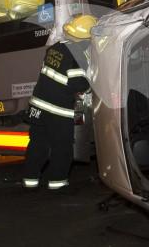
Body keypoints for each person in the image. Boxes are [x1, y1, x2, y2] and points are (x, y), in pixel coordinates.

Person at [22, 14, 97, 190]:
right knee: (62, 147)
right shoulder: (79, 55)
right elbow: (79, 83)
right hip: (58, 110)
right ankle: (57, 182)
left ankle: (29, 179)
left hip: (38, 106)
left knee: (37, 144)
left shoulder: (55, 47)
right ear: (87, 38)